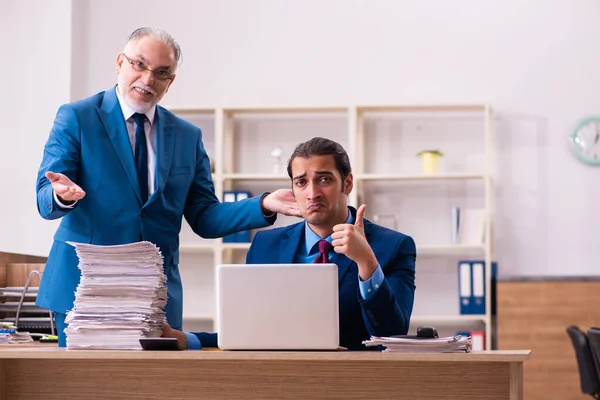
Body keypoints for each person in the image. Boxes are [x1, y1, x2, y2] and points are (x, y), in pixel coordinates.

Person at [35, 27, 299, 347]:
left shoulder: (187, 136)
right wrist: (61, 197)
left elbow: (204, 215)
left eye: (161, 72)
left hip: (155, 298)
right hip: (87, 291)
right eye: (139, 65)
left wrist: (265, 203)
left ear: (170, 81)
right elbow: (44, 197)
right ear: (120, 62)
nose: (148, 79)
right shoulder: (77, 117)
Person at [162, 137, 417, 350]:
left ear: (347, 182)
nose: (312, 193)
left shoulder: (393, 246)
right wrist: (187, 339)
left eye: (324, 179)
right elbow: (250, 333)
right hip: (279, 382)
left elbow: (392, 337)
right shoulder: (265, 245)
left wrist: (367, 263)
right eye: (301, 182)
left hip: (356, 385)